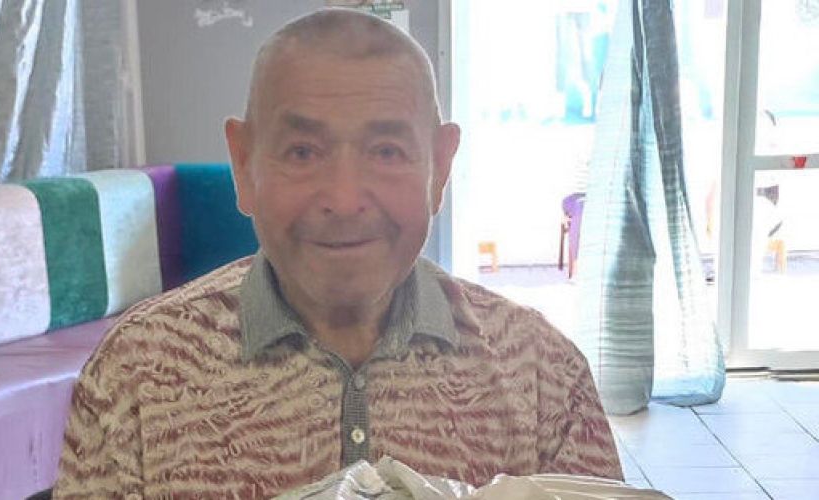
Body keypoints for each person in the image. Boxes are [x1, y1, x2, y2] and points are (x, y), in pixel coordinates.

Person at [53, 8, 622, 498]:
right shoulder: (137, 376)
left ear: (440, 166)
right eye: (302, 151)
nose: (345, 199)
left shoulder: (543, 376)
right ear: (244, 164)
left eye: (387, 151)